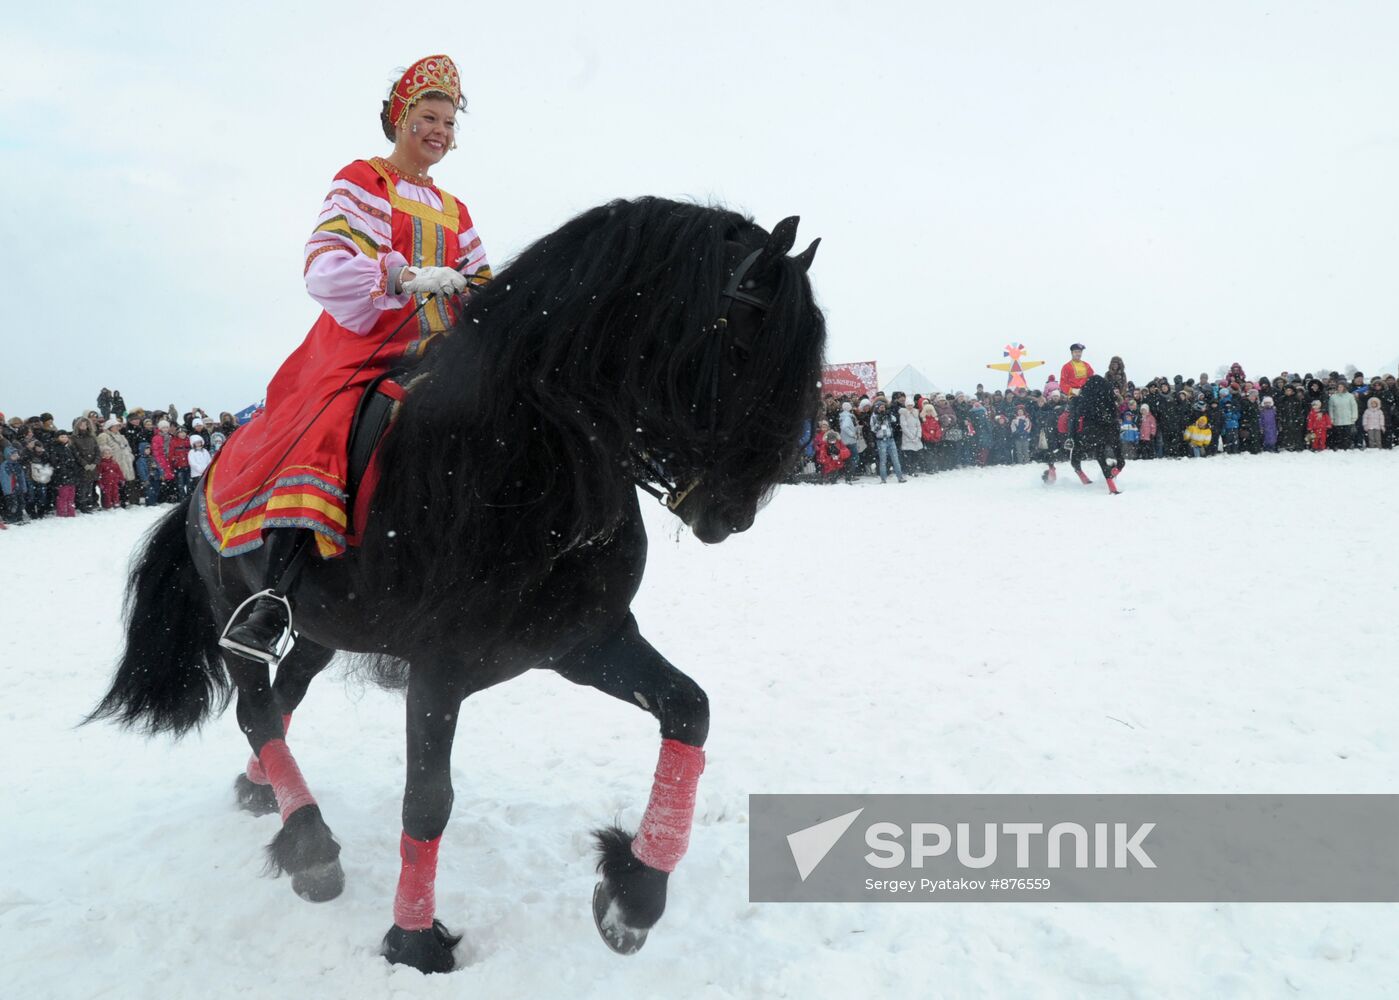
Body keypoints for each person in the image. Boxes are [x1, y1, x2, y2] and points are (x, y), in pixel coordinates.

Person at [211, 54, 492, 664]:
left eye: (449, 122)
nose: (440, 131)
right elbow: (326, 264)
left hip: (445, 345)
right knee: (331, 425)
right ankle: (275, 596)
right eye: (429, 116)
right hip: (367, 341)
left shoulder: (457, 210)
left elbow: (479, 277)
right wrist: (409, 276)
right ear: (400, 118)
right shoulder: (364, 179)